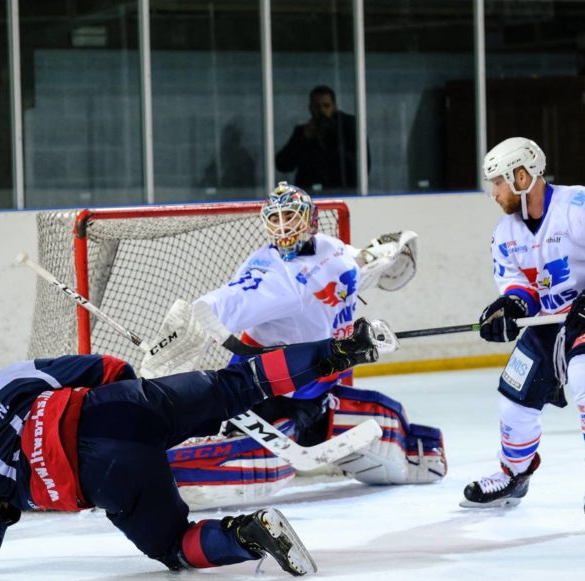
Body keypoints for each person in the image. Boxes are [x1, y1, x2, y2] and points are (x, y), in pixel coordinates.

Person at [0, 323, 385, 576]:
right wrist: (148, 413)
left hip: (106, 475)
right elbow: (113, 368)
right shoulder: (10, 379)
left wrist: (4, 509)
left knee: (174, 546)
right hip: (120, 408)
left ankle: (249, 535)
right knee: (234, 384)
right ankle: (338, 348)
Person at [140, 181, 446, 504]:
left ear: (310, 219)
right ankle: (160, 464)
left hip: (316, 389)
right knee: (256, 461)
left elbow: (354, 263)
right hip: (266, 391)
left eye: (291, 215)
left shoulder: (331, 248)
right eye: (275, 218)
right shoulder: (271, 271)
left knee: (388, 422)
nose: (283, 225)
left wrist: (378, 256)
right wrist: (189, 324)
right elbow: (231, 299)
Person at [461, 137, 585, 530]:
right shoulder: (505, 233)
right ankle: (514, 474)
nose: (493, 193)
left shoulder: (580, 206)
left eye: (498, 182)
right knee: (513, 403)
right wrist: (512, 308)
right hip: (552, 325)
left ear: (522, 176)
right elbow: (521, 289)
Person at [275, 85, 366, 194]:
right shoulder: (303, 132)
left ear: (334, 107)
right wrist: (303, 139)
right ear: (310, 108)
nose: (322, 110)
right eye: (317, 106)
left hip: (343, 192)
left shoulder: (347, 129)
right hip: (311, 194)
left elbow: (363, 166)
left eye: (326, 106)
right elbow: (282, 165)